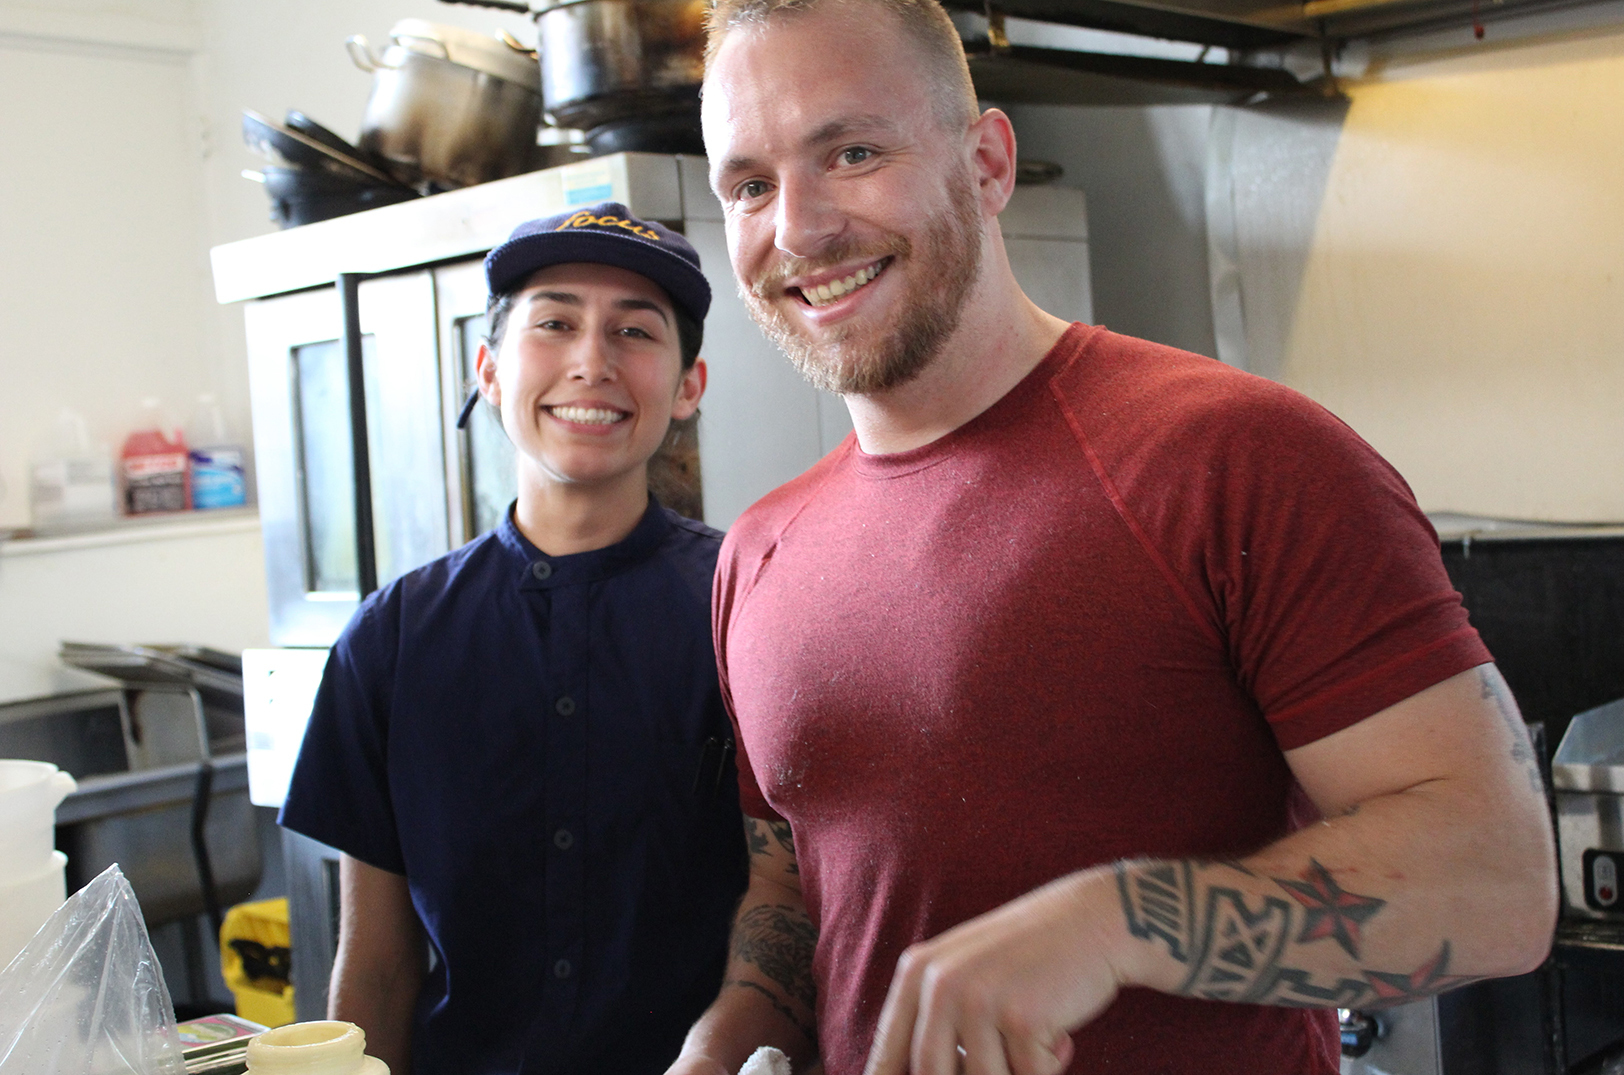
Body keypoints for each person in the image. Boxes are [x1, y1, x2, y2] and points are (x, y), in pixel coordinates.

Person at [665, 2, 1560, 1074]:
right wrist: (733, 1033)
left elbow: (1497, 880)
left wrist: (1118, 920)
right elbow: (796, 884)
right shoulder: (757, 553)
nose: (801, 229)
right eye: (750, 186)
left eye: (852, 152)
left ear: (988, 164)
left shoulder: (1235, 456)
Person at [279, 203, 748, 1075]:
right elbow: (377, 966)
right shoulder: (391, 640)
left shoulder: (748, 609)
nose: (592, 361)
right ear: (490, 371)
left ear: (689, 386)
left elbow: (798, 912)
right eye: (556, 323)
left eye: (634, 331)